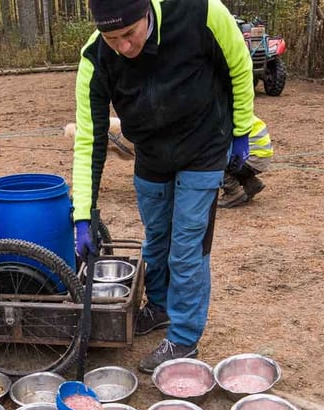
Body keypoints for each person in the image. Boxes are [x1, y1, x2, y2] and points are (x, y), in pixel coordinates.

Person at [71, 0, 255, 373]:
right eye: (112, 38)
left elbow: (239, 65)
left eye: (129, 33)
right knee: (156, 239)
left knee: (186, 249)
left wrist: (241, 130)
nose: (123, 46)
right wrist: (83, 215)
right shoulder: (95, 57)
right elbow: (89, 140)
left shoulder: (200, 12)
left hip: (203, 147)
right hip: (151, 154)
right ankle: (159, 307)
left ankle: (184, 338)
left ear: (147, 13)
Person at [220, 114, 272, 207]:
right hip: (260, 157)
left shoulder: (224, 116)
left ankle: (233, 193)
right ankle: (251, 183)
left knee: (213, 164)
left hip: (251, 157)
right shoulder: (240, 113)